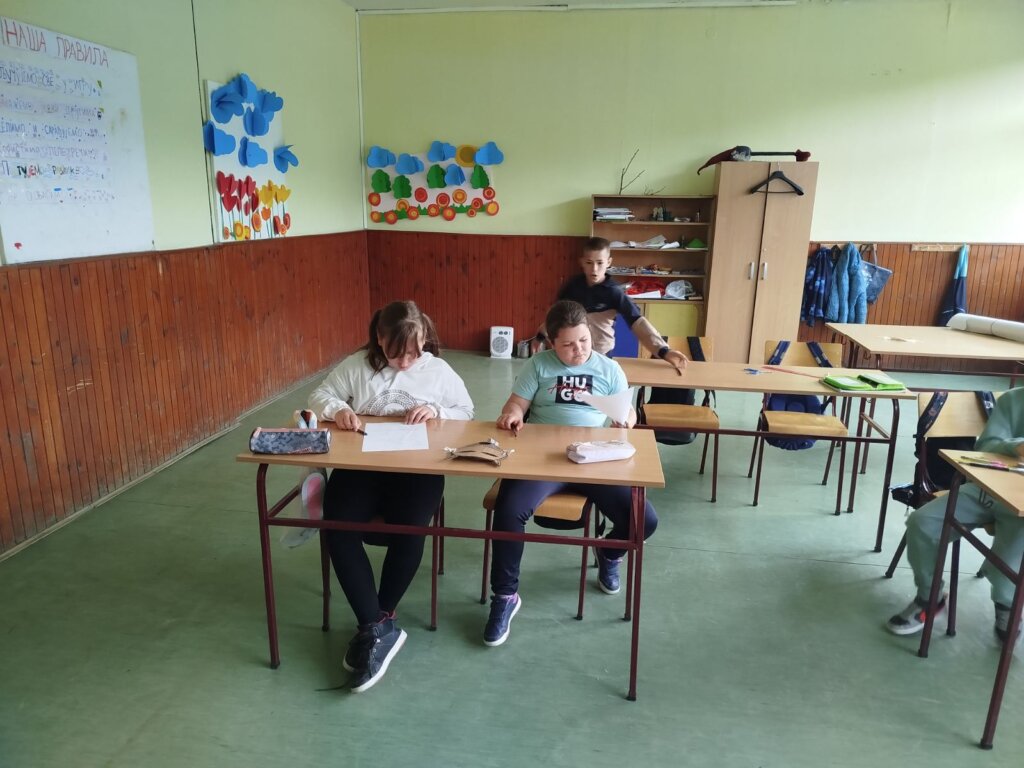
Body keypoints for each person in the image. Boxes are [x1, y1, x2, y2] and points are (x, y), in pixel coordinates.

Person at [308, 300, 474, 691]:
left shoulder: (437, 370)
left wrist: (436, 410)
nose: (405, 362)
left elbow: (466, 410)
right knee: (337, 524)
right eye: (396, 354)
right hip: (363, 463)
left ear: (425, 339)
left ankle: (379, 619)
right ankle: (376, 625)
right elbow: (320, 395)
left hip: (418, 468)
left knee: (410, 527)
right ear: (379, 339)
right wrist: (338, 409)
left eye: (414, 352)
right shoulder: (357, 366)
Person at [484, 299, 659, 646]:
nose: (578, 350)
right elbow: (516, 403)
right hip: (543, 458)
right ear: (552, 342)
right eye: (567, 344)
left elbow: (627, 413)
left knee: (644, 519)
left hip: (594, 458)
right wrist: (513, 414)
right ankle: (505, 596)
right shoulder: (538, 365)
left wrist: (626, 420)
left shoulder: (609, 369)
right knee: (508, 510)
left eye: (584, 340)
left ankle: (609, 552)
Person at [886, 387, 1024, 641]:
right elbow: (986, 445)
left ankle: (1006, 603)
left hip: (1020, 509)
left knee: (1016, 546)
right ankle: (930, 597)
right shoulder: (1015, 400)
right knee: (922, 522)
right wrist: (1016, 446)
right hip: (985, 490)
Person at [531, 237, 688, 370]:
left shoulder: (614, 292)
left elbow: (638, 322)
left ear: (609, 262)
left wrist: (663, 350)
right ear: (582, 262)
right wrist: (540, 337)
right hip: (571, 356)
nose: (594, 269)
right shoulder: (572, 287)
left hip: (601, 355)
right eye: (589, 262)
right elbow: (555, 316)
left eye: (600, 263)